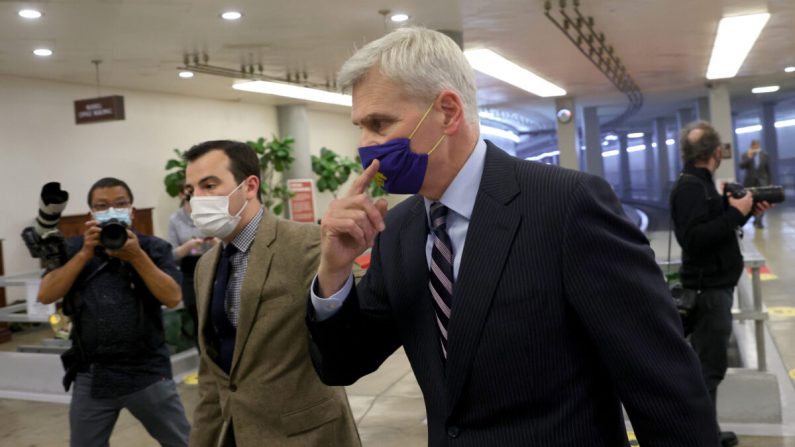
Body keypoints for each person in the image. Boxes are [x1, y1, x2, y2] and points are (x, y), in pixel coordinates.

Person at [306, 27, 719, 446]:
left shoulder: (566, 206)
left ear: (447, 112)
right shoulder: (398, 232)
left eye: (379, 124)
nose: (365, 145)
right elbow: (343, 363)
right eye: (360, 126)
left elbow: (663, 385)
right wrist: (334, 271)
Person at [183, 140, 360, 447]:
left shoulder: (308, 244)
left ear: (250, 186)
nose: (198, 198)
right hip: (234, 432)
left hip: (306, 434)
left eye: (209, 185)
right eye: (191, 190)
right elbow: (213, 372)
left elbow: (360, 311)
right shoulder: (206, 266)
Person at [38, 177, 190, 447]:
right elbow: (46, 294)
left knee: (182, 441)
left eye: (120, 204)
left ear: (131, 210)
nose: (111, 211)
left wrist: (136, 256)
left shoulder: (153, 248)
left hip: (147, 371)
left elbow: (173, 297)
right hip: (92, 374)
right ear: (91, 214)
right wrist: (85, 253)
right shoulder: (74, 249)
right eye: (102, 205)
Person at [670, 122, 770, 447]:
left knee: (708, 370)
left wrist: (742, 212)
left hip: (714, 288)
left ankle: (707, 433)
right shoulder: (690, 187)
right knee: (708, 371)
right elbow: (695, 239)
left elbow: (712, 228)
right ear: (716, 153)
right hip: (708, 293)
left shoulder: (700, 183)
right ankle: (702, 438)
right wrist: (734, 216)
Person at [168, 185, 216, 349]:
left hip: (213, 269)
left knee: (217, 317)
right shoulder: (175, 219)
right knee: (198, 321)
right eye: (189, 191)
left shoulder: (209, 213)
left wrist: (216, 243)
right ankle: (204, 362)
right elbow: (172, 256)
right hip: (190, 272)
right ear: (182, 194)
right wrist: (187, 247)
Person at [739, 139, 771, 228]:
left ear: (759, 145)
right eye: (754, 145)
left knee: (763, 201)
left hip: (762, 181)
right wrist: (749, 157)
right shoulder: (746, 154)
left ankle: (759, 220)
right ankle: (755, 218)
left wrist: (769, 183)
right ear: (751, 146)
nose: (756, 147)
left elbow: (768, 170)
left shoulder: (765, 155)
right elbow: (741, 166)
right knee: (753, 201)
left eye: (757, 145)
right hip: (750, 182)